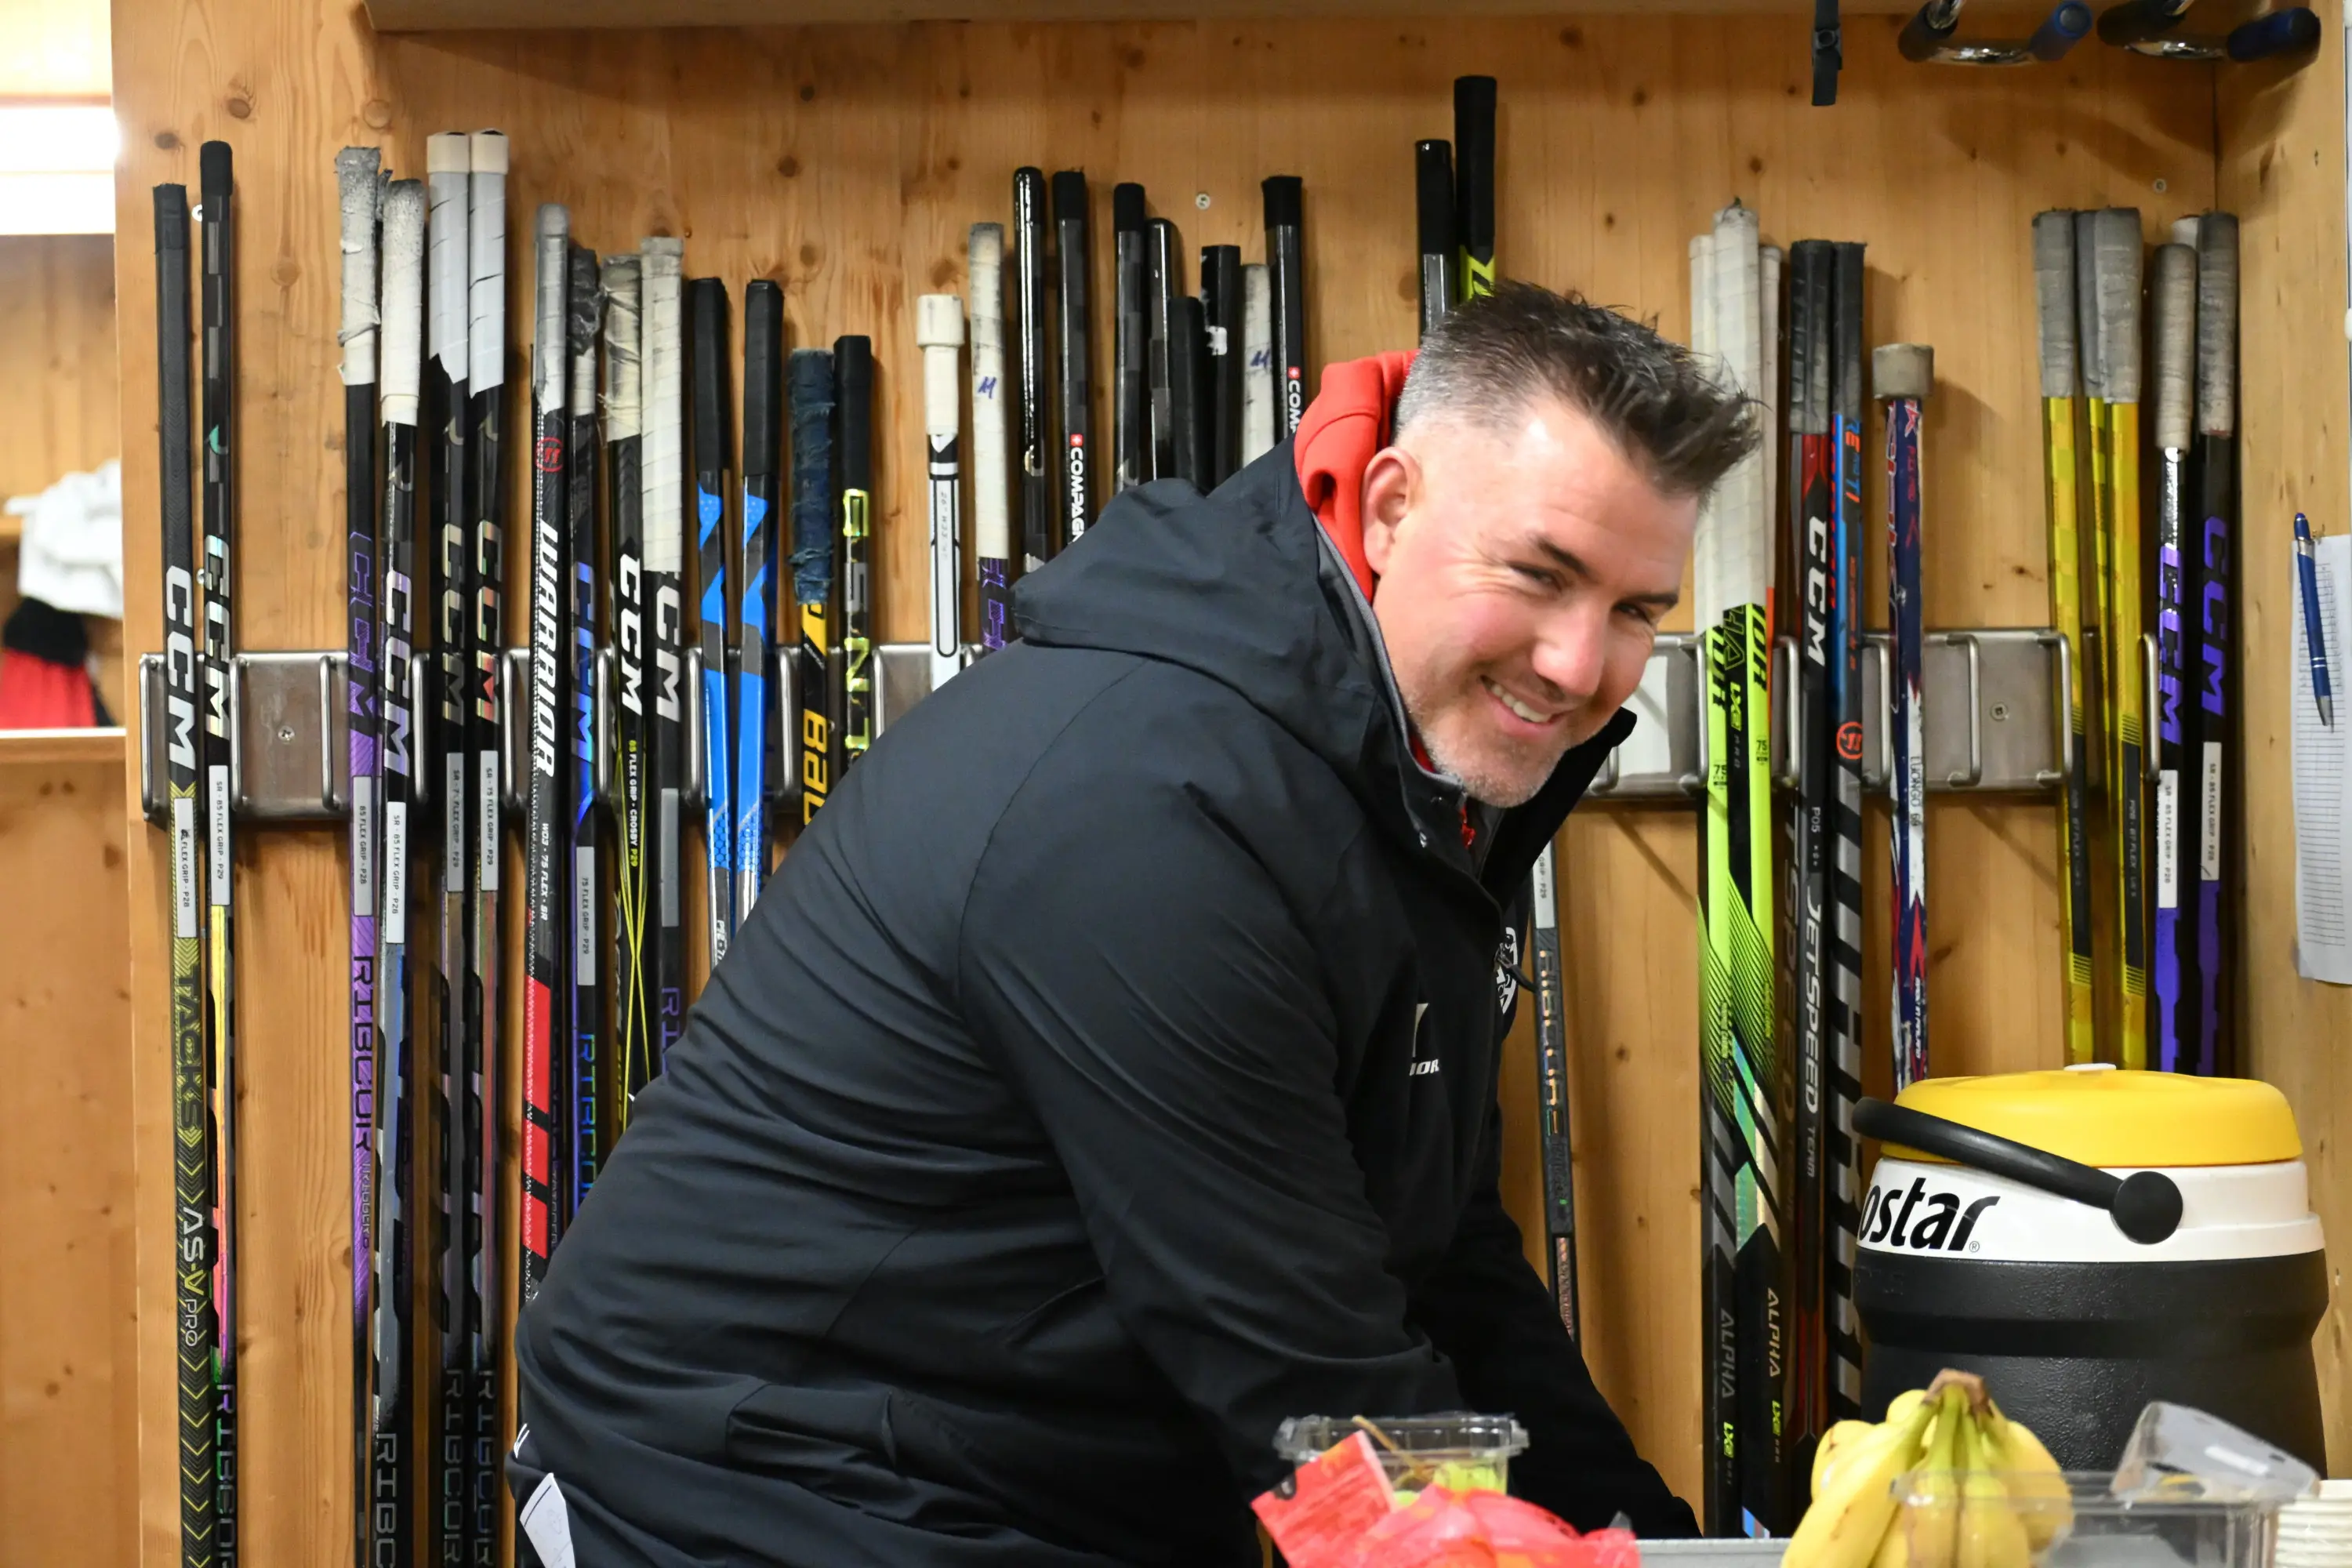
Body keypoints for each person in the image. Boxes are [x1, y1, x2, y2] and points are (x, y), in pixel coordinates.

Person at [511, 280, 1756, 1566]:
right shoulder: (1149, 813)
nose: (1576, 662)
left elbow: (1431, 1260)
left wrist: (1663, 1549)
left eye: (1633, 610)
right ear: (1389, 506)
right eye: (1539, 576)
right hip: (759, 1485)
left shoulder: (1397, 774)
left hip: (1020, 1472)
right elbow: (1303, 1369)